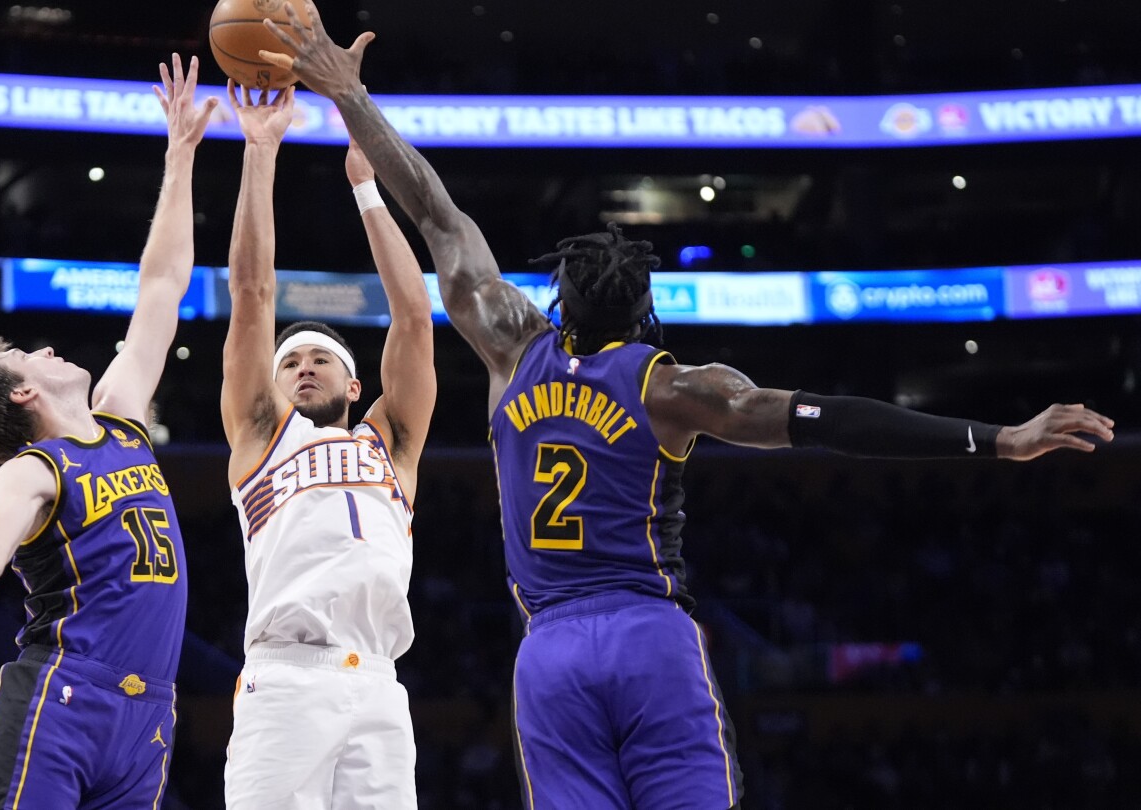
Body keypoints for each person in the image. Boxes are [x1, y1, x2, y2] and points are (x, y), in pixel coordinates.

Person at [256, 8, 1119, 809]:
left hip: (549, 653)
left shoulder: (512, 345)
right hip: (648, 637)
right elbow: (833, 419)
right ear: (642, 314)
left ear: (560, 302)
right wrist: (998, 439)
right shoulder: (675, 387)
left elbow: (439, 217)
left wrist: (349, 94)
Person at [0, 55, 218, 809]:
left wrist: (180, 156)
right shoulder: (35, 469)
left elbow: (162, 286)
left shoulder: (123, 419)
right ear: (27, 389)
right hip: (63, 698)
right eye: (25, 354)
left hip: (148, 718)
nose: (45, 348)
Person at [218, 79, 436, 810]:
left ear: (354, 386)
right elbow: (251, 293)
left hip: (378, 683)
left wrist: (368, 189)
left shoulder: (391, 441)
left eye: (319, 359)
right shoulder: (261, 434)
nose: (302, 365)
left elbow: (414, 317)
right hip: (288, 679)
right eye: (289, 363)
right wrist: (260, 150)